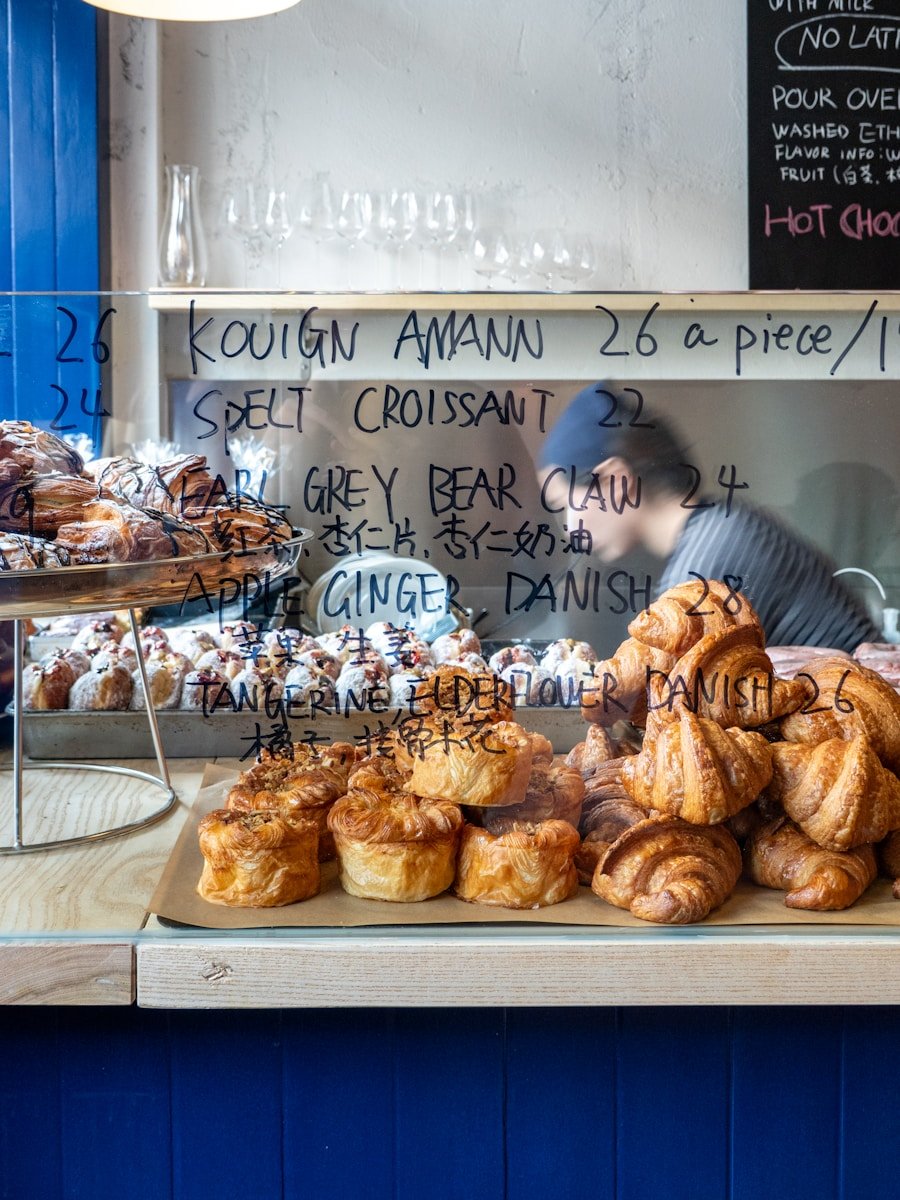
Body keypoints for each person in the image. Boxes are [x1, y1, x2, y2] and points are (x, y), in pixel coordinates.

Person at [537, 382, 880, 651]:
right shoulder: (719, 527)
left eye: (566, 503)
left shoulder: (710, 558)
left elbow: (665, 700)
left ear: (615, 481)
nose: (569, 527)